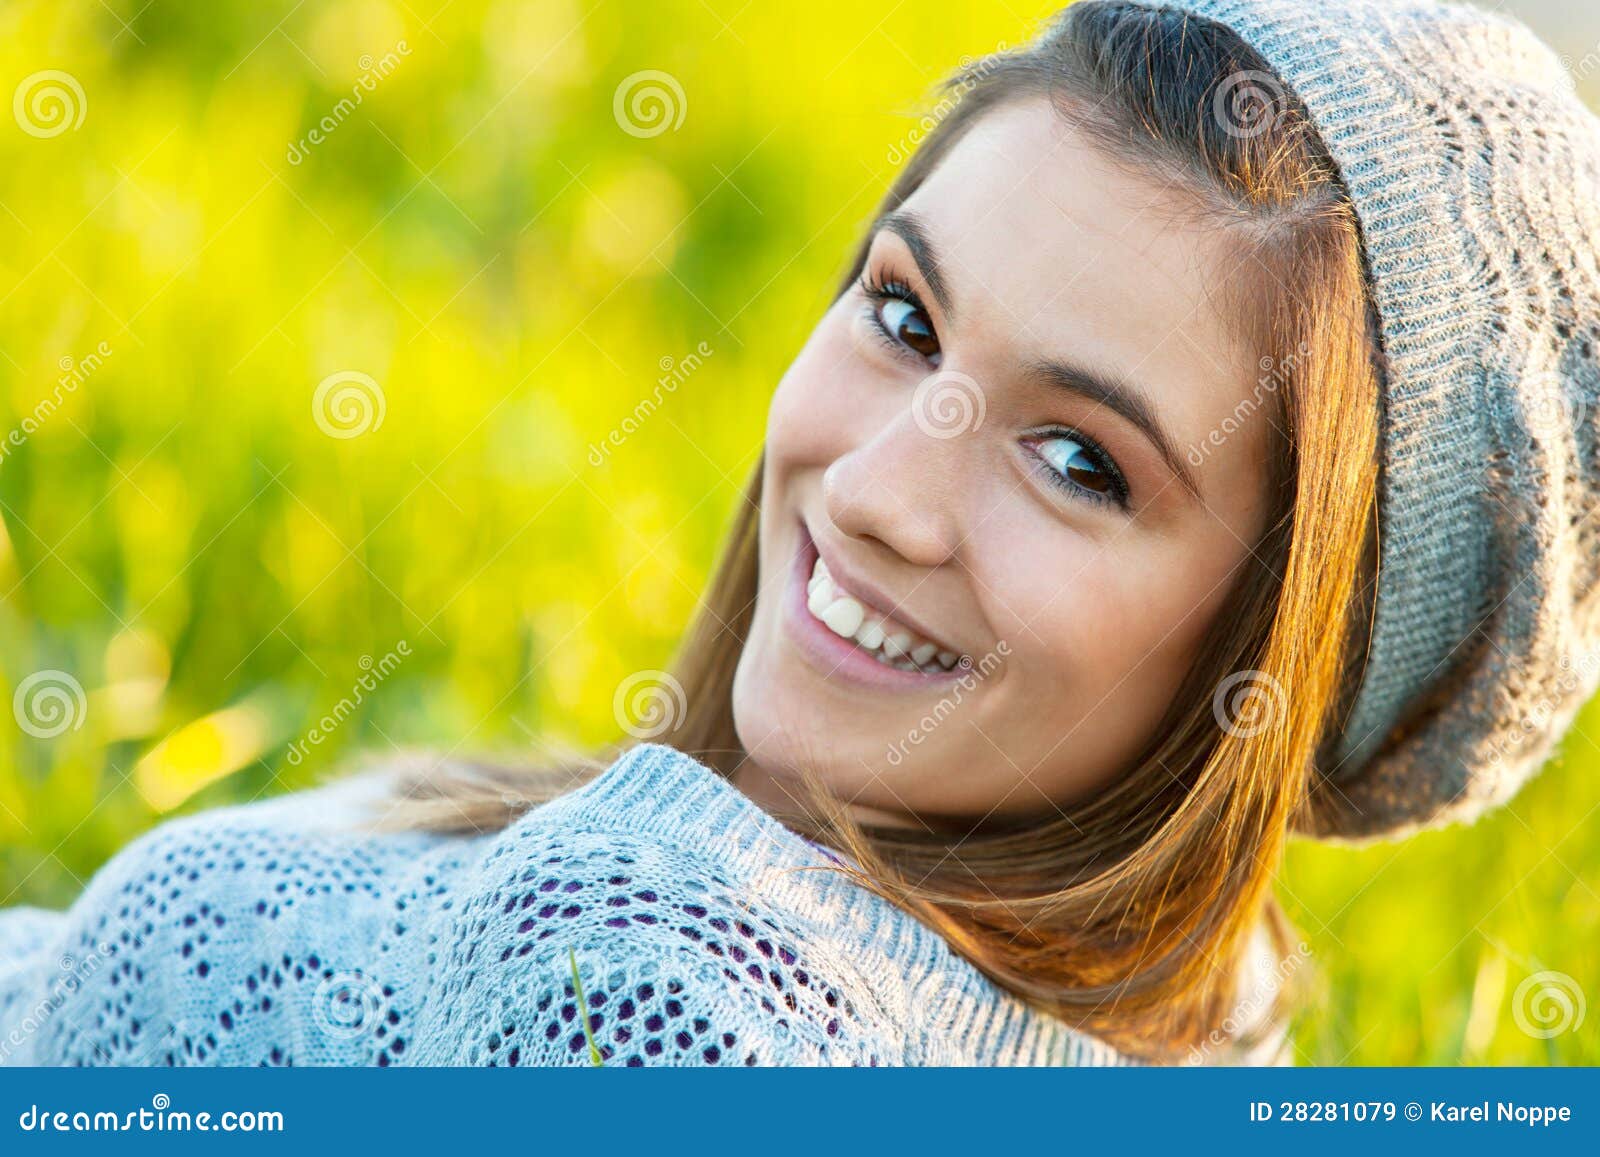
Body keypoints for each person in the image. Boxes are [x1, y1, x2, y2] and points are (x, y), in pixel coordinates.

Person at [4, 0, 1597, 1067]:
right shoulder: (1203, 1028)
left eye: (1076, 460)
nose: (879, 491)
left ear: (1279, 658)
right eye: (904, 314)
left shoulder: (656, 997)